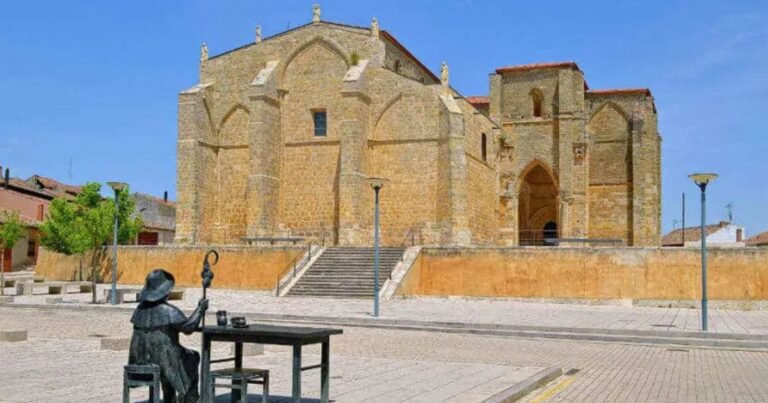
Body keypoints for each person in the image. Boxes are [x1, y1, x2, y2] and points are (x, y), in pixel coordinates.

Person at [129, 269, 209, 402]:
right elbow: (188, 327)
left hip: (143, 361)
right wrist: (200, 309)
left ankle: (170, 399)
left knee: (172, 361)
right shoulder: (168, 311)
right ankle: (190, 398)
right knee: (192, 357)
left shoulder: (139, 310)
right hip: (166, 362)